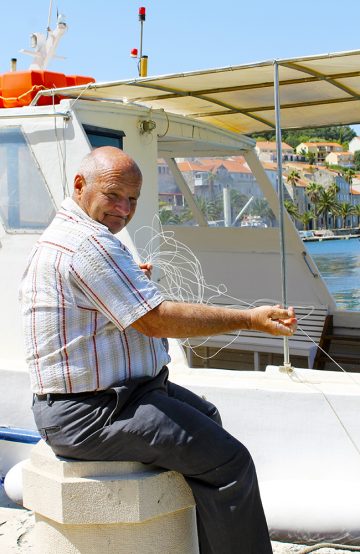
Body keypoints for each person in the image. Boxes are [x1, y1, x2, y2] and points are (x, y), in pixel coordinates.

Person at [20, 146, 297, 554]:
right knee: (231, 464)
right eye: (114, 195)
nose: (124, 208)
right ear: (80, 185)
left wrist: (130, 281)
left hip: (122, 396)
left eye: (133, 199)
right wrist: (249, 319)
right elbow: (155, 320)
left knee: (209, 418)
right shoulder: (86, 244)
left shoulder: (79, 234)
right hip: (90, 413)